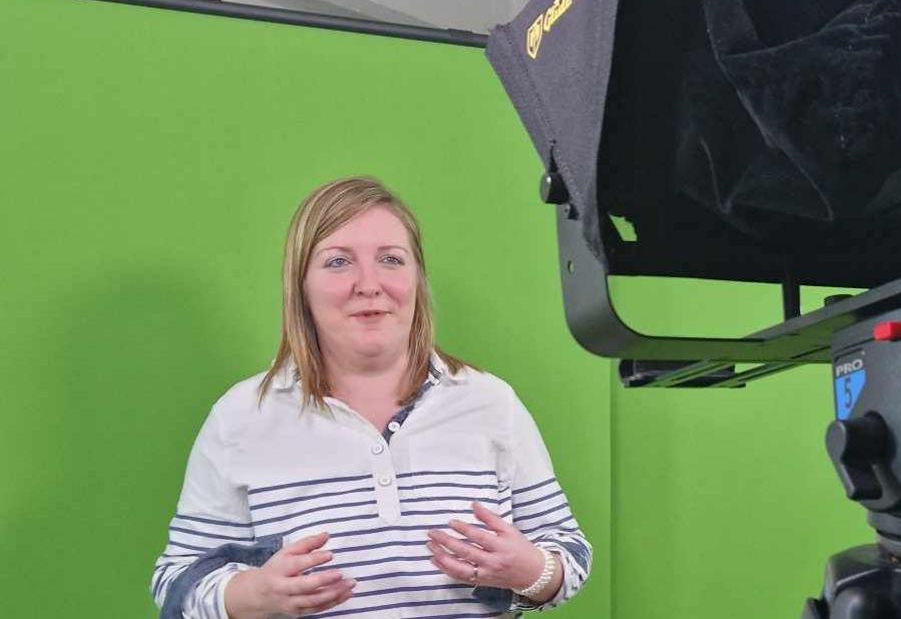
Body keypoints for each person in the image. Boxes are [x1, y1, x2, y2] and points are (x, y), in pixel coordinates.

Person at [150, 177, 591, 618]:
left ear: (417, 278)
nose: (369, 284)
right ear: (300, 285)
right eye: (338, 262)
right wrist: (255, 595)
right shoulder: (241, 417)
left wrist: (530, 571)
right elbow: (175, 583)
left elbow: (567, 551)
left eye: (391, 260)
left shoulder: (491, 403)